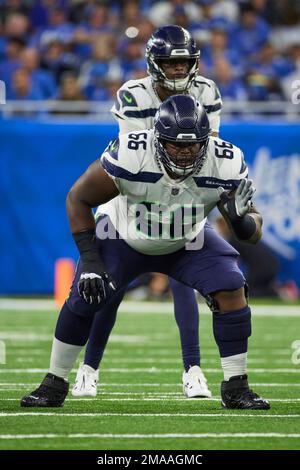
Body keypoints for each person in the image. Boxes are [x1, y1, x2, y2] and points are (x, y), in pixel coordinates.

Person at [21, 94, 270, 410]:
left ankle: (236, 387)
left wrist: (239, 219)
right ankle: (53, 383)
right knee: (85, 294)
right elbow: (78, 198)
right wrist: (92, 262)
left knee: (232, 287)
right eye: (176, 145)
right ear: (157, 139)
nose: (185, 153)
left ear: (207, 141)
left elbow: (253, 233)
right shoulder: (131, 153)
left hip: (186, 239)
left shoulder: (225, 161)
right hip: (124, 235)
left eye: (194, 145)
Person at [73, 25, 223, 399]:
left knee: (182, 281)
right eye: (170, 62)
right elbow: (139, 157)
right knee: (111, 287)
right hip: (133, 193)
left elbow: (207, 152)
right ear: (154, 64)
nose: (177, 69)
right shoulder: (132, 93)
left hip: (185, 193)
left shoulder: (206, 90)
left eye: (184, 61)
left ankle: (193, 370)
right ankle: (88, 369)